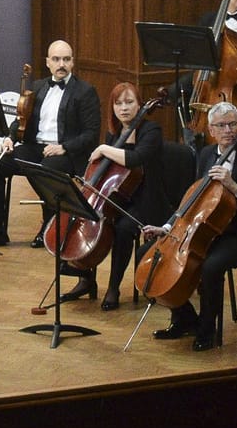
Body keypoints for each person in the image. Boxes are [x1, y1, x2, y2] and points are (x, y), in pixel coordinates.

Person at [148, 102, 237, 351]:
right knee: (152, 254)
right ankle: (185, 318)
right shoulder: (207, 154)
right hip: (211, 229)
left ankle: (207, 330)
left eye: (233, 124)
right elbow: (193, 198)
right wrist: (168, 227)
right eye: (221, 125)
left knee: (211, 265)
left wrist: (235, 188)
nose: (228, 130)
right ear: (211, 129)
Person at [0, 40, 97, 249]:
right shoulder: (39, 86)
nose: (61, 64)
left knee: (44, 170)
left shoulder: (85, 91)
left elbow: (91, 134)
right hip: (35, 147)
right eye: (56, 59)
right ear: (48, 62)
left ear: (72, 62)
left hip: (65, 152)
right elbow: (21, 119)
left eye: (66, 59)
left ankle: (48, 227)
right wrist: (10, 138)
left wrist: (64, 147)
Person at [64, 82, 167, 311]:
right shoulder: (114, 134)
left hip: (146, 199)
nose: (124, 108)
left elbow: (135, 159)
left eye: (129, 102)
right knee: (84, 217)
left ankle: (113, 288)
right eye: (118, 103)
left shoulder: (151, 131)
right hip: (116, 197)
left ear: (139, 104)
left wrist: (103, 148)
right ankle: (85, 278)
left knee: (122, 229)